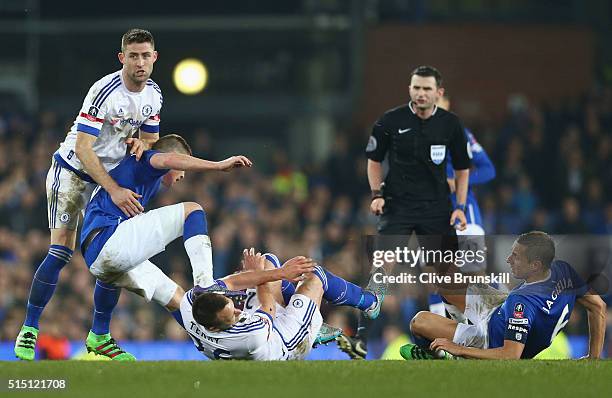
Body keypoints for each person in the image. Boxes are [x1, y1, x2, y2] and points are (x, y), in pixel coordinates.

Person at [15, 28, 163, 360]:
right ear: (122, 58)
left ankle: (98, 337)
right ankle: (29, 329)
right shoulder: (105, 91)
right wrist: (114, 190)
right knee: (61, 252)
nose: (140, 62)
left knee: (110, 258)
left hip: (105, 181)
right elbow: (83, 148)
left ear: (154, 58)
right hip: (72, 173)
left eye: (145, 55)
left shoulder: (154, 94)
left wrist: (144, 143)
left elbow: (152, 139)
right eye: (133, 56)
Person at [339, 66, 472, 359]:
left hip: (436, 210)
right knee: (380, 272)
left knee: (448, 279)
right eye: (416, 88)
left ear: (439, 92)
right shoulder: (390, 121)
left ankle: (467, 337)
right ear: (409, 89)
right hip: (397, 207)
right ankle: (361, 341)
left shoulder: (451, 124)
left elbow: (463, 168)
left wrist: (460, 207)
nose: (420, 94)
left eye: (426, 89)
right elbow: (373, 160)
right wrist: (376, 195)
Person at [79, 134, 252, 360]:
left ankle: (217, 348)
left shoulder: (142, 177)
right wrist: (218, 166)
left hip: (99, 255)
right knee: (193, 210)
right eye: (183, 166)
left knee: (178, 299)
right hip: (108, 238)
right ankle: (206, 284)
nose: (183, 174)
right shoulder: (147, 160)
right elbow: (167, 159)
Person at [399, 231, 607, 360]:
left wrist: (458, 349)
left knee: (419, 321)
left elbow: (510, 355)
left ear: (535, 265)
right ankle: (457, 325)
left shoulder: (523, 303)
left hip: (488, 340)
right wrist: (594, 358)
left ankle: (445, 354)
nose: (508, 259)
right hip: (501, 308)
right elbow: (598, 307)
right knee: (445, 279)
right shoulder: (564, 271)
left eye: (516, 257)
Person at [181, 250, 387, 360]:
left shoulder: (192, 303)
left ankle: (313, 325)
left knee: (269, 260)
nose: (237, 309)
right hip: (285, 342)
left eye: (231, 305)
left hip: (264, 325)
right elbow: (268, 305)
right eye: (232, 316)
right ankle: (371, 303)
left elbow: (233, 282)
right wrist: (257, 276)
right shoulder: (249, 336)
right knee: (315, 275)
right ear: (214, 328)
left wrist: (258, 273)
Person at [428, 94, 496, 317]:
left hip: (466, 214)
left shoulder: (461, 134)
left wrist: (456, 183)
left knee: (475, 275)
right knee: (434, 277)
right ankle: (439, 338)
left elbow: (488, 170)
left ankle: (488, 327)